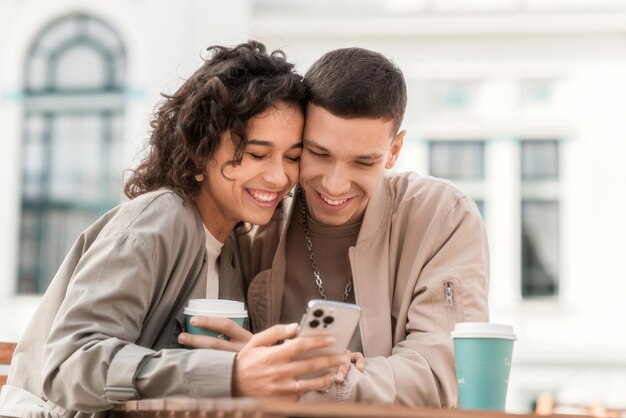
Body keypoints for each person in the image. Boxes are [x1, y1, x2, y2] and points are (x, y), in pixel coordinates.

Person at [0, 41, 346, 418]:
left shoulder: (229, 247)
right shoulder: (160, 218)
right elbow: (69, 365)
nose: (279, 176)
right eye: (257, 154)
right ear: (201, 147)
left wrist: (298, 367)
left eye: (292, 157)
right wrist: (230, 374)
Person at [233, 47, 491, 406]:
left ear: (394, 150)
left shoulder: (442, 216)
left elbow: (439, 376)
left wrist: (331, 381)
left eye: (363, 162)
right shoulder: (257, 215)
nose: (335, 185)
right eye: (319, 154)